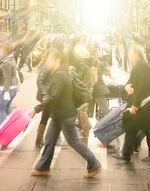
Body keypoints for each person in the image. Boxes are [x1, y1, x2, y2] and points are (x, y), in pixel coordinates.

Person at [30, 49, 102, 178]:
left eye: (51, 59)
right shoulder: (60, 73)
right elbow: (55, 95)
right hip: (58, 114)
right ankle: (43, 167)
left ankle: (94, 164)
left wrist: (37, 108)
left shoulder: (60, 74)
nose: (48, 61)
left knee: (73, 141)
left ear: (57, 60)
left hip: (65, 114)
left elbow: (54, 96)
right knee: (50, 140)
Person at [112, 47, 150, 163]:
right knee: (148, 128)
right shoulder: (140, 66)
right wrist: (126, 87)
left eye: (131, 53)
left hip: (144, 103)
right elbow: (132, 82)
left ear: (137, 53)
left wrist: (135, 104)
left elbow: (142, 87)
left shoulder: (141, 66)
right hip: (148, 102)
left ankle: (126, 154)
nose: (129, 56)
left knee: (132, 126)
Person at [0, 43, 20, 125]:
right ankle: (19, 122)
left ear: (6, 51)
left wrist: (6, 92)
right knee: (7, 108)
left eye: (2, 49)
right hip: (12, 88)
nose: (0, 51)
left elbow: (7, 78)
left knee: (1, 109)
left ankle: (2, 130)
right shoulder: (9, 59)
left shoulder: (6, 63)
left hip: (6, 88)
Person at [72, 45, 94, 138]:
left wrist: (72, 71)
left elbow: (79, 77)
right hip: (88, 88)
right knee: (80, 109)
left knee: (82, 110)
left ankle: (85, 131)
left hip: (84, 89)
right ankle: (87, 126)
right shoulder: (87, 62)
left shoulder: (82, 64)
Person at [87, 48, 111, 120]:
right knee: (90, 106)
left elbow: (95, 75)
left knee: (104, 108)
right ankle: (85, 122)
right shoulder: (94, 60)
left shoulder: (93, 61)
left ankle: (110, 121)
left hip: (97, 87)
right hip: (96, 87)